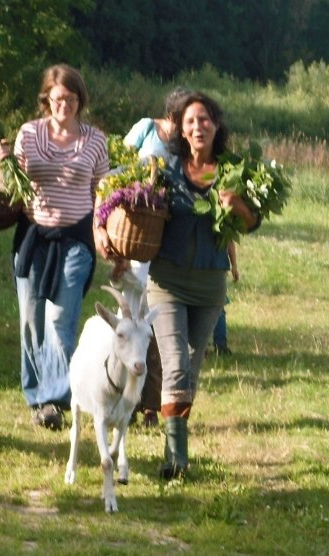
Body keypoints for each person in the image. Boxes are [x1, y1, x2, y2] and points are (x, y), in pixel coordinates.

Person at [101, 91, 260, 479]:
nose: (197, 126)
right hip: (167, 280)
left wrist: (235, 203)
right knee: (173, 365)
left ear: (216, 126)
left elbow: (254, 221)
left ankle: (175, 447)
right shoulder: (164, 167)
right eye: (190, 121)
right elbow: (112, 189)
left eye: (204, 119)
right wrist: (103, 231)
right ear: (181, 130)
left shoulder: (233, 170)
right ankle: (177, 460)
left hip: (209, 283)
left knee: (190, 367)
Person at [0, 64, 110, 430]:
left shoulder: (95, 140)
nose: (65, 105)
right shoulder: (29, 134)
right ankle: (35, 394)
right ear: (47, 100)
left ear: (80, 101)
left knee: (60, 318)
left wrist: (105, 233)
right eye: (58, 98)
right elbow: (17, 188)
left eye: (72, 99)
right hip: (33, 238)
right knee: (30, 321)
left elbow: (102, 193)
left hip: (76, 240)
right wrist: (3, 162)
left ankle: (55, 398)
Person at [117, 88, 190, 428]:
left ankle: (150, 404)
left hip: (168, 234)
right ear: (171, 115)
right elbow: (121, 168)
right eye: (180, 118)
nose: (183, 127)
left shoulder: (189, 145)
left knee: (159, 321)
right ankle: (122, 396)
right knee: (131, 315)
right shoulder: (147, 128)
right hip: (140, 232)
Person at [212, 240, 239, 355]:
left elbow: (229, 241)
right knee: (218, 309)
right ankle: (220, 346)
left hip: (217, 267)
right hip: (216, 266)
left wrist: (234, 265)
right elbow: (230, 241)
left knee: (218, 309)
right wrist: (234, 266)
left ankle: (220, 345)